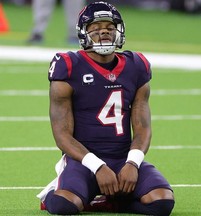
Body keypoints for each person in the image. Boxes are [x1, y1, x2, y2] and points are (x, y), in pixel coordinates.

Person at [36, 1, 175, 215]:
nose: (104, 33)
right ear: (83, 33)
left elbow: (142, 127)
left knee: (162, 202)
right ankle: (52, 193)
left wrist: (133, 163)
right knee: (65, 207)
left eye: (110, 28)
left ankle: (114, 202)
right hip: (83, 161)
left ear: (119, 31)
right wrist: (98, 167)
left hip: (122, 158)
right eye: (96, 29)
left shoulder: (136, 65)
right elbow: (62, 135)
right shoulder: (68, 65)